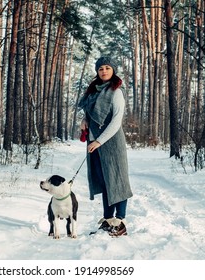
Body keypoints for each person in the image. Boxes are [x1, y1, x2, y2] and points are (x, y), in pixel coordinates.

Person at [78, 56, 133, 236]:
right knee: (104, 182)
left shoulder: (116, 91)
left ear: (113, 70)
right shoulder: (93, 92)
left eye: (108, 68)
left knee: (117, 180)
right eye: (101, 68)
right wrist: (84, 120)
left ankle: (121, 222)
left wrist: (99, 141)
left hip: (111, 143)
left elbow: (116, 121)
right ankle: (108, 221)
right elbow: (90, 114)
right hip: (94, 142)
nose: (104, 71)